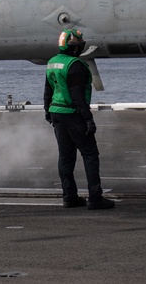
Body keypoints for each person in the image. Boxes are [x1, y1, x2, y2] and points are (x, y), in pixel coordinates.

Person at [44, 29, 114, 210]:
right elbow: (77, 96)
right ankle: (95, 197)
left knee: (65, 158)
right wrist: (88, 119)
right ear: (74, 46)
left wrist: (47, 112)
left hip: (56, 113)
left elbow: (48, 91)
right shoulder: (76, 65)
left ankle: (69, 197)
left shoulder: (52, 62)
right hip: (72, 114)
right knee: (90, 155)